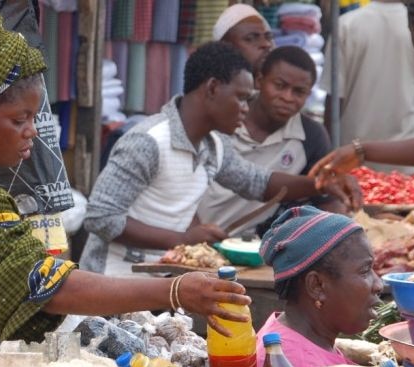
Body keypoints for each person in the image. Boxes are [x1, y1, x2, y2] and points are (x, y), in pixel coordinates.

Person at [0, 13, 253, 359]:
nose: (33, 133)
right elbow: (46, 285)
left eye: (34, 117)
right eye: (19, 120)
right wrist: (175, 292)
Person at [79, 41, 361, 277]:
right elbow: (101, 217)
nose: (244, 109)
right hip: (110, 282)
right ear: (212, 88)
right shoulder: (148, 141)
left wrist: (321, 183)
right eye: (240, 98)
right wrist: (182, 240)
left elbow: (257, 183)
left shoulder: (214, 143)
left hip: (160, 283)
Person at [198, 46, 346, 238]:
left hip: (251, 247)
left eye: (298, 92)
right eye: (279, 85)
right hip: (189, 236)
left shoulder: (311, 136)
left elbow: (326, 200)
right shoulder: (223, 116)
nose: (287, 97)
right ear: (259, 80)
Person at [309, 0, 414, 184]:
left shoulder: (347, 25)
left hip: (358, 168)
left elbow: (333, 103)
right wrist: (360, 151)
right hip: (401, 167)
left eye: (410, 31)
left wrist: (343, 151)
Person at [256, 206, 383, 367]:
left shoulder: (295, 336)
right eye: (365, 271)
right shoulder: (292, 362)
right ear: (317, 286)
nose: (379, 284)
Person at [213, 3, 275, 76]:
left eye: (268, 37)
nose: (266, 44)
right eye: (251, 38)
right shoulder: (215, 86)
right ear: (226, 47)